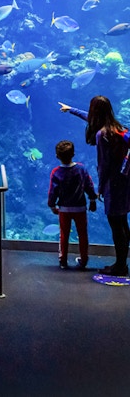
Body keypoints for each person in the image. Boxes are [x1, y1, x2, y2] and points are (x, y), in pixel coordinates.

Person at [59, 96, 130, 276]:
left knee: (116, 224)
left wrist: (100, 187)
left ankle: (120, 266)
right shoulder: (117, 127)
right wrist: (71, 109)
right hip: (125, 179)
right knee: (122, 222)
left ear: (95, 111)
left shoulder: (102, 135)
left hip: (113, 183)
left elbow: (104, 163)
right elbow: (89, 119)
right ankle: (122, 263)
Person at [47, 140, 97, 270]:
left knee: (64, 234)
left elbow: (53, 190)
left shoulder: (56, 172)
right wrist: (92, 199)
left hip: (64, 209)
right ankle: (84, 260)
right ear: (73, 154)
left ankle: (63, 260)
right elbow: (89, 185)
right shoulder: (81, 169)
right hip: (80, 208)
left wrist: (52, 205)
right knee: (82, 234)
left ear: (57, 156)